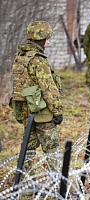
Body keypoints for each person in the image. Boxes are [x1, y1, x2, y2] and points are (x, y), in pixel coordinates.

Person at [11, 21, 63, 173]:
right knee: (52, 150)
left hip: (25, 111)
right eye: (47, 38)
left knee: (28, 150)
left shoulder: (20, 57)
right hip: (41, 112)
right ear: (40, 38)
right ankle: (60, 186)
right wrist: (57, 111)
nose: (49, 41)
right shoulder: (38, 60)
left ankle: (25, 187)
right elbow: (49, 88)